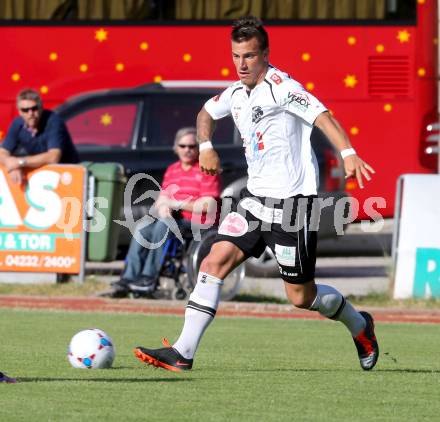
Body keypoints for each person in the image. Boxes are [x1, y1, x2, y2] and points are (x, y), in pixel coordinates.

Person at [134, 16, 379, 372]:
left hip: (294, 207)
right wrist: (205, 145)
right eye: (236, 56)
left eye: (249, 56)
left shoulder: (283, 87)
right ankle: (184, 351)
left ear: (264, 54)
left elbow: (323, 116)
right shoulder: (235, 94)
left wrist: (347, 153)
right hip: (254, 201)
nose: (241, 64)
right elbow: (205, 112)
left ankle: (360, 326)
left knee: (301, 297)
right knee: (212, 263)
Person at [109, 127, 221, 298]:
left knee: (164, 225)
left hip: (199, 223)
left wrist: (175, 203)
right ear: (176, 148)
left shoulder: (206, 168)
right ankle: (128, 277)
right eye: (182, 146)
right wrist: (163, 207)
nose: (187, 150)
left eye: (191, 146)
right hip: (174, 219)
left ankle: (148, 277)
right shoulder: (172, 170)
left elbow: (209, 205)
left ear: (198, 148)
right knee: (142, 227)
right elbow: (162, 198)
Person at [0, 88, 79, 184]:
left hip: (68, 175)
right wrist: (11, 164)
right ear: (19, 112)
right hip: (43, 175)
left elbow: (53, 157)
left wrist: (19, 162)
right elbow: (2, 152)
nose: (31, 113)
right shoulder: (17, 124)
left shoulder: (53, 121)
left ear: (41, 108)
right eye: (25, 110)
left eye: (34, 108)